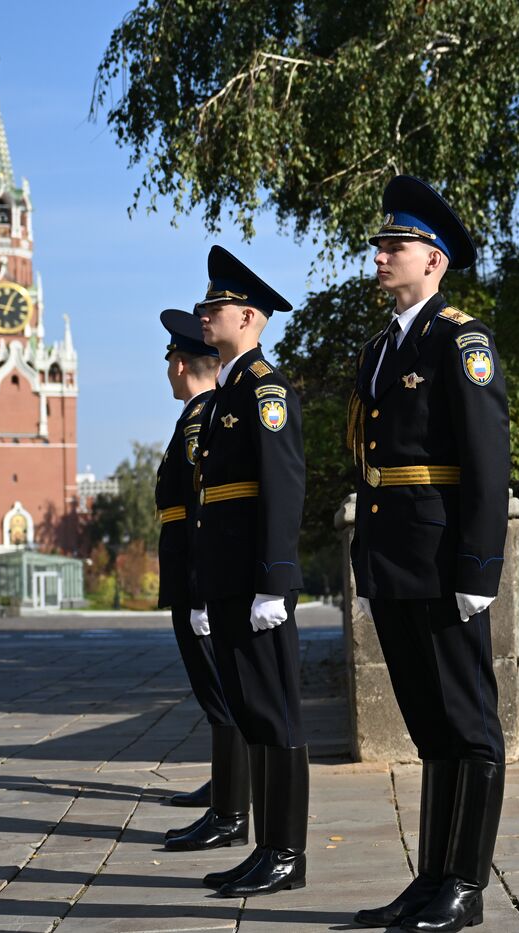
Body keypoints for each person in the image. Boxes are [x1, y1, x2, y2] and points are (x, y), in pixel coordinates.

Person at [348, 175, 510, 933]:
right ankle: (432, 876)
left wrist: (480, 569)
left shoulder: (460, 341)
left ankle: (466, 885)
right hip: (394, 561)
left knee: (469, 725)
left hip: (444, 561)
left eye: (396, 245)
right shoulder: (384, 347)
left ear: (434, 260)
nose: (381, 255)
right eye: (382, 244)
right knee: (429, 729)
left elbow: (485, 461)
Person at [190, 246, 308, 897]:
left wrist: (275, 580)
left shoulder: (266, 390)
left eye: (216, 306)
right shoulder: (230, 391)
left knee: (277, 718)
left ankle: (287, 852)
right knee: (255, 717)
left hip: (256, 583)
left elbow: (282, 487)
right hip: (230, 579)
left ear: (249, 316)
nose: (206, 314)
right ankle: (268, 848)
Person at [154, 309, 252, 852]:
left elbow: (198, 513)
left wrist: (197, 591)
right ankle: (226, 791)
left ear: (182, 365)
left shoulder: (199, 420)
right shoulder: (196, 417)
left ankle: (230, 810)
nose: (167, 370)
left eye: (171, 360)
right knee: (219, 696)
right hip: (194, 575)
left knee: (222, 698)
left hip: (200, 577)